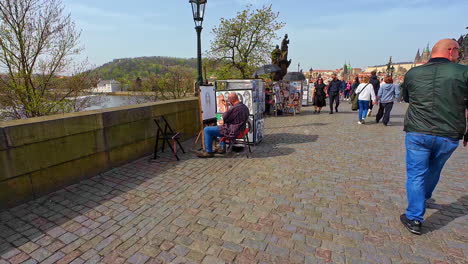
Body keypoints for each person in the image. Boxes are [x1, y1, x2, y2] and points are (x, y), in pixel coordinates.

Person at [399, 38, 468, 235]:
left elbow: (407, 98)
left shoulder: (414, 73)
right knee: (434, 168)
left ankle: (414, 218)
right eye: (458, 52)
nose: (459, 55)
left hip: (418, 130)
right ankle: (423, 197)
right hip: (448, 132)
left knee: (416, 173)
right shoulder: (463, 72)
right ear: (451, 50)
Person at [197, 93, 250, 158]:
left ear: (231, 100)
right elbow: (230, 119)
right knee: (220, 128)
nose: (228, 101)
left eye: (229, 99)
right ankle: (222, 147)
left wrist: (226, 107)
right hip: (240, 129)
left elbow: (224, 118)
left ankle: (208, 152)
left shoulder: (235, 108)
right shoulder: (245, 107)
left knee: (207, 130)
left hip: (233, 130)